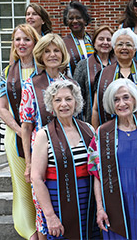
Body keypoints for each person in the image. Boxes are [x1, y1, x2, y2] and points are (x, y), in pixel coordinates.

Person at [19, 33, 77, 238]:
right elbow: (26, 127)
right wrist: (28, 162)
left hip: (68, 152)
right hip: (42, 152)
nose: (52, 55)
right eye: (47, 51)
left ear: (63, 54)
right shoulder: (30, 85)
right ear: (40, 55)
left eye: (56, 50)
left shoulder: (71, 83)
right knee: (43, 210)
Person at [30, 80, 100, 239]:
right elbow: (37, 178)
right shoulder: (43, 135)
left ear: (76, 101)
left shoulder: (88, 130)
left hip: (88, 205)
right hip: (58, 204)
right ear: (51, 105)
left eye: (68, 99)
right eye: (58, 100)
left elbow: (97, 170)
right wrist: (49, 216)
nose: (64, 104)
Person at [90, 78, 137, 239]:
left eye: (126, 97)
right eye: (116, 99)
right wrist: (100, 208)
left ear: (134, 99)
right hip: (116, 202)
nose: (122, 103)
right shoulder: (102, 133)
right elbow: (96, 174)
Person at [0, 24, 40, 240]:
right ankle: (30, 234)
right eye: (17, 39)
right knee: (22, 189)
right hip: (15, 137)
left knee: (41, 184)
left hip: (41, 137)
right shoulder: (8, 71)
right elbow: (2, 107)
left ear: (35, 43)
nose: (21, 43)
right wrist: (20, 130)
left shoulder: (44, 69)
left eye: (27, 39)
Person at [92, 28, 137, 127]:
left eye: (128, 45)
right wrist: (96, 135)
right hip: (111, 130)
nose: (124, 48)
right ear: (114, 48)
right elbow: (96, 108)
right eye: (120, 44)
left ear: (135, 49)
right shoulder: (102, 75)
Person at [73, 25, 115, 123]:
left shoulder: (119, 64)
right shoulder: (83, 65)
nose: (105, 42)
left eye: (109, 40)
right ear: (94, 42)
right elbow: (77, 97)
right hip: (90, 121)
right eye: (101, 39)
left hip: (116, 120)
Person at [62, 0, 94, 75]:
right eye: (71, 18)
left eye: (78, 17)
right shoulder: (63, 43)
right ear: (67, 21)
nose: (75, 21)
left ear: (85, 20)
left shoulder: (93, 41)